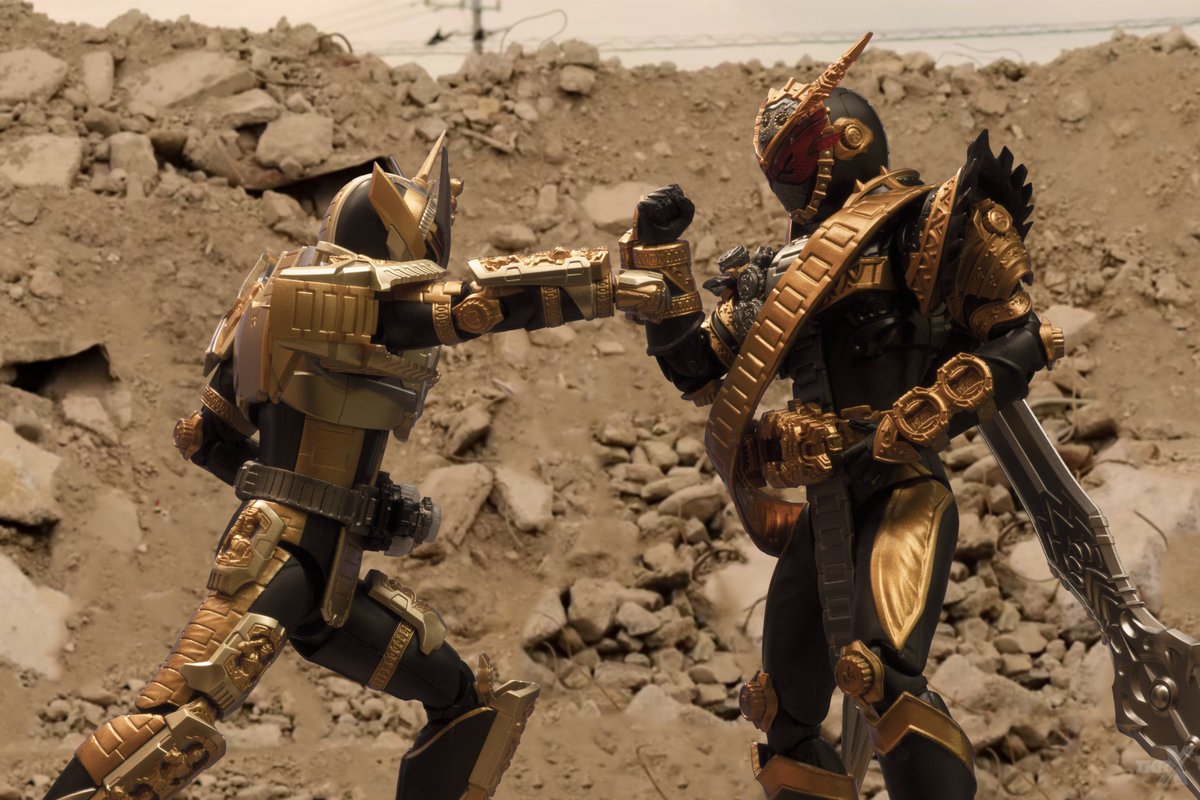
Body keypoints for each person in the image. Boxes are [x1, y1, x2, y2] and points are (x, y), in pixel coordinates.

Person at [43, 133, 624, 800]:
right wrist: (616, 285)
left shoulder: (278, 307)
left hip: (329, 575)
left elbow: (205, 437)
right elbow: (476, 304)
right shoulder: (332, 297)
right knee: (174, 723)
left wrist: (358, 502)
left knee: (465, 701)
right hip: (278, 556)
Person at [614, 32, 1065, 800]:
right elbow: (694, 365)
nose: (786, 179)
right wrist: (659, 254)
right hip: (824, 500)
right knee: (781, 713)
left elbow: (1023, 334)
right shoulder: (775, 274)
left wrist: (930, 410)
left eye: (794, 158)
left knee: (878, 674)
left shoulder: (925, 224)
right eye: (779, 164)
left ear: (844, 143)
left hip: (900, 489)